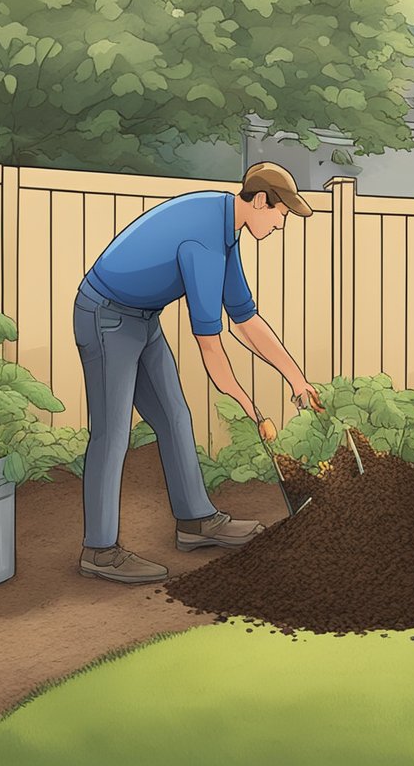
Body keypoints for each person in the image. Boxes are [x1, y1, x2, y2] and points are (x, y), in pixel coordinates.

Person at [73, 161, 323, 584]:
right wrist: (252, 408)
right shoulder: (204, 243)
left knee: (174, 416)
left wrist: (295, 378)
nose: (280, 227)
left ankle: (196, 521)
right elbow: (211, 346)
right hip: (105, 317)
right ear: (261, 201)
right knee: (113, 431)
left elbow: (245, 320)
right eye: (281, 216)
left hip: (141, 319)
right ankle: (99, 550)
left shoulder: (225, 232)